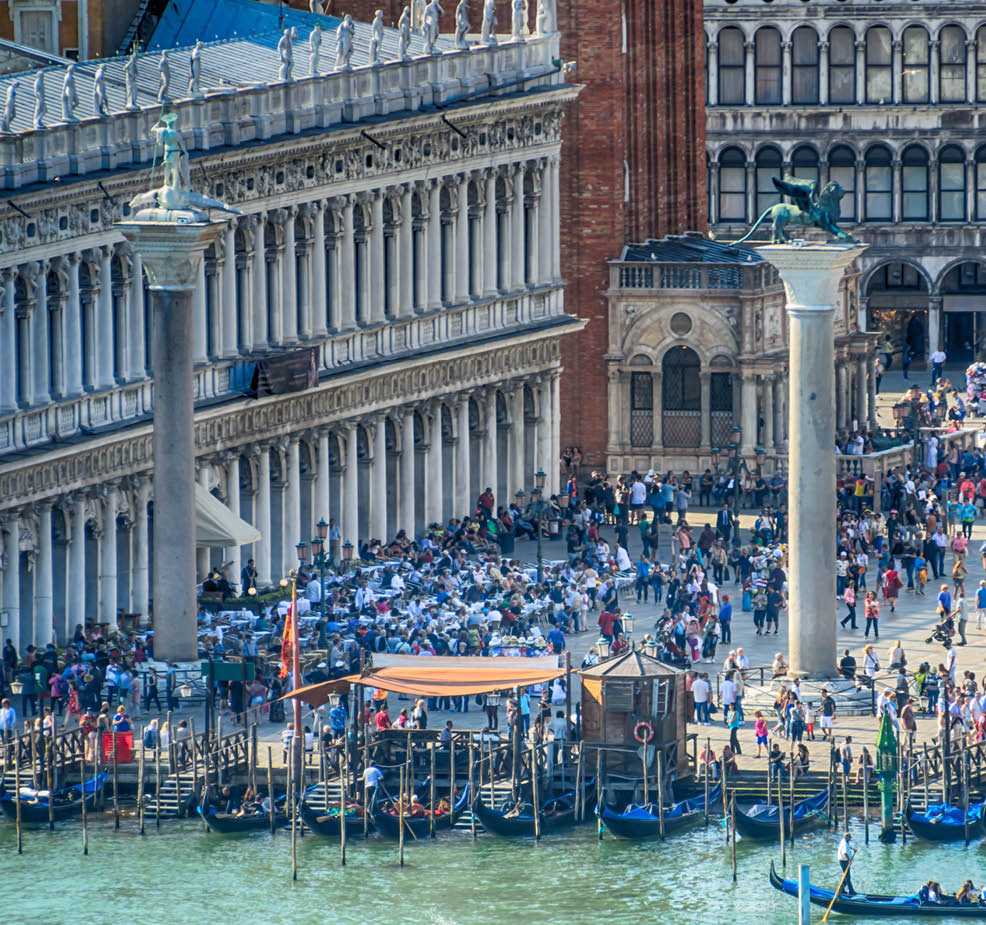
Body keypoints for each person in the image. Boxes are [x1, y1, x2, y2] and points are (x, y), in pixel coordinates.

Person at [837, 831, 856, 895]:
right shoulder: (844, 844)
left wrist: (852, 848)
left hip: (844, 861)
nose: (850, 839)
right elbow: (845, 853)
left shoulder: (844, 841)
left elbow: (847, 846)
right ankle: (851, 891)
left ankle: (841, 890)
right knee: (848, 877)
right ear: (847, 837)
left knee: (846, 876)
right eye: (850, 838)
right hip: (844, 861)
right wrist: (849, 860)